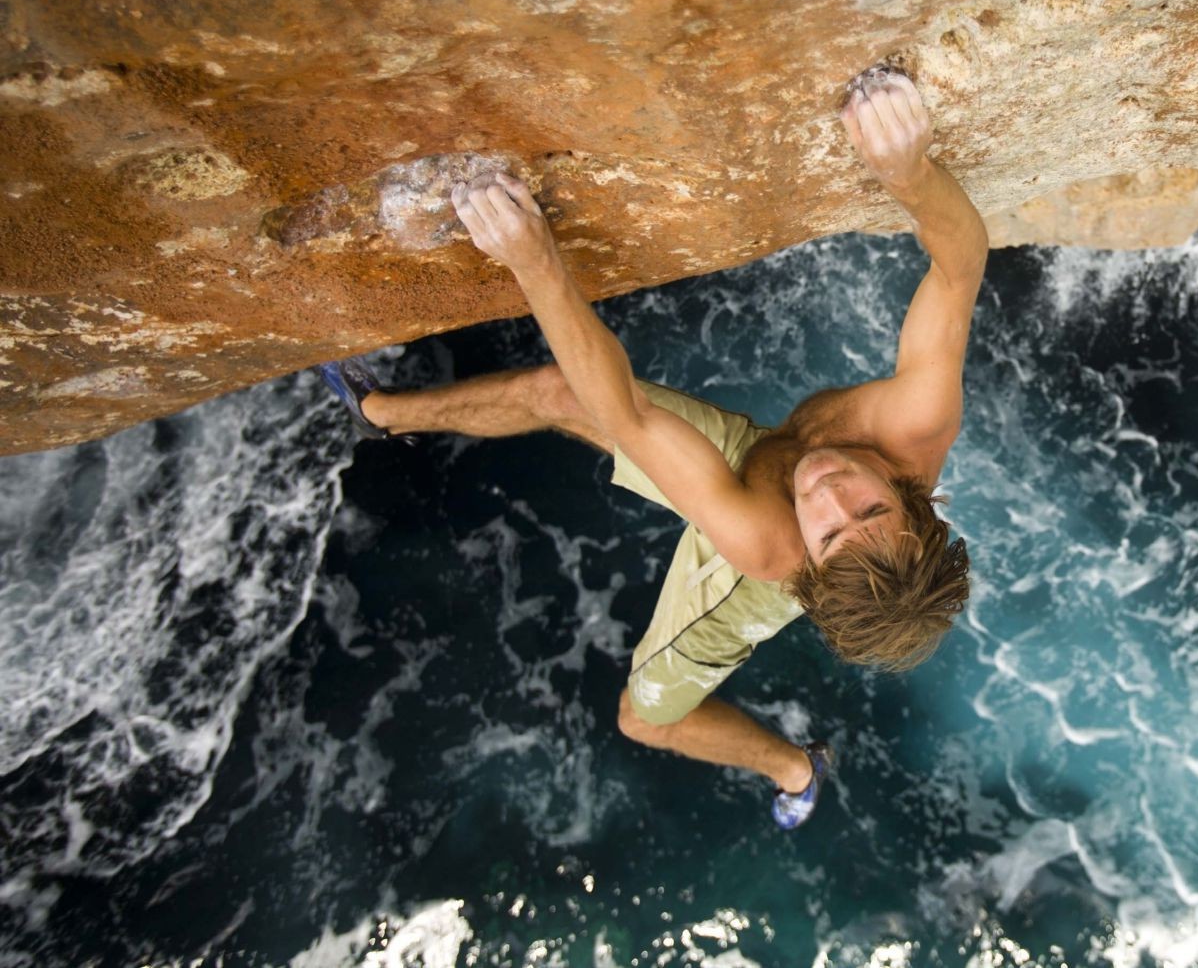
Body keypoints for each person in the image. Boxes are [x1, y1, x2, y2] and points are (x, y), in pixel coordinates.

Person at [320, 67, 984, 829]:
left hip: (744, 541)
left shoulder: (765, 542)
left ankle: (795, 768)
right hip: (766, 460)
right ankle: (384, 412)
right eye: (868, 506)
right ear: (908, 491)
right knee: (565, 393)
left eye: (833, 532)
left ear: (812, 558)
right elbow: (960, 262)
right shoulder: (915, 424)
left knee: (644, 716)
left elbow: (627, 414)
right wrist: (909, 169)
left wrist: (536, 260)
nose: (829, 488)